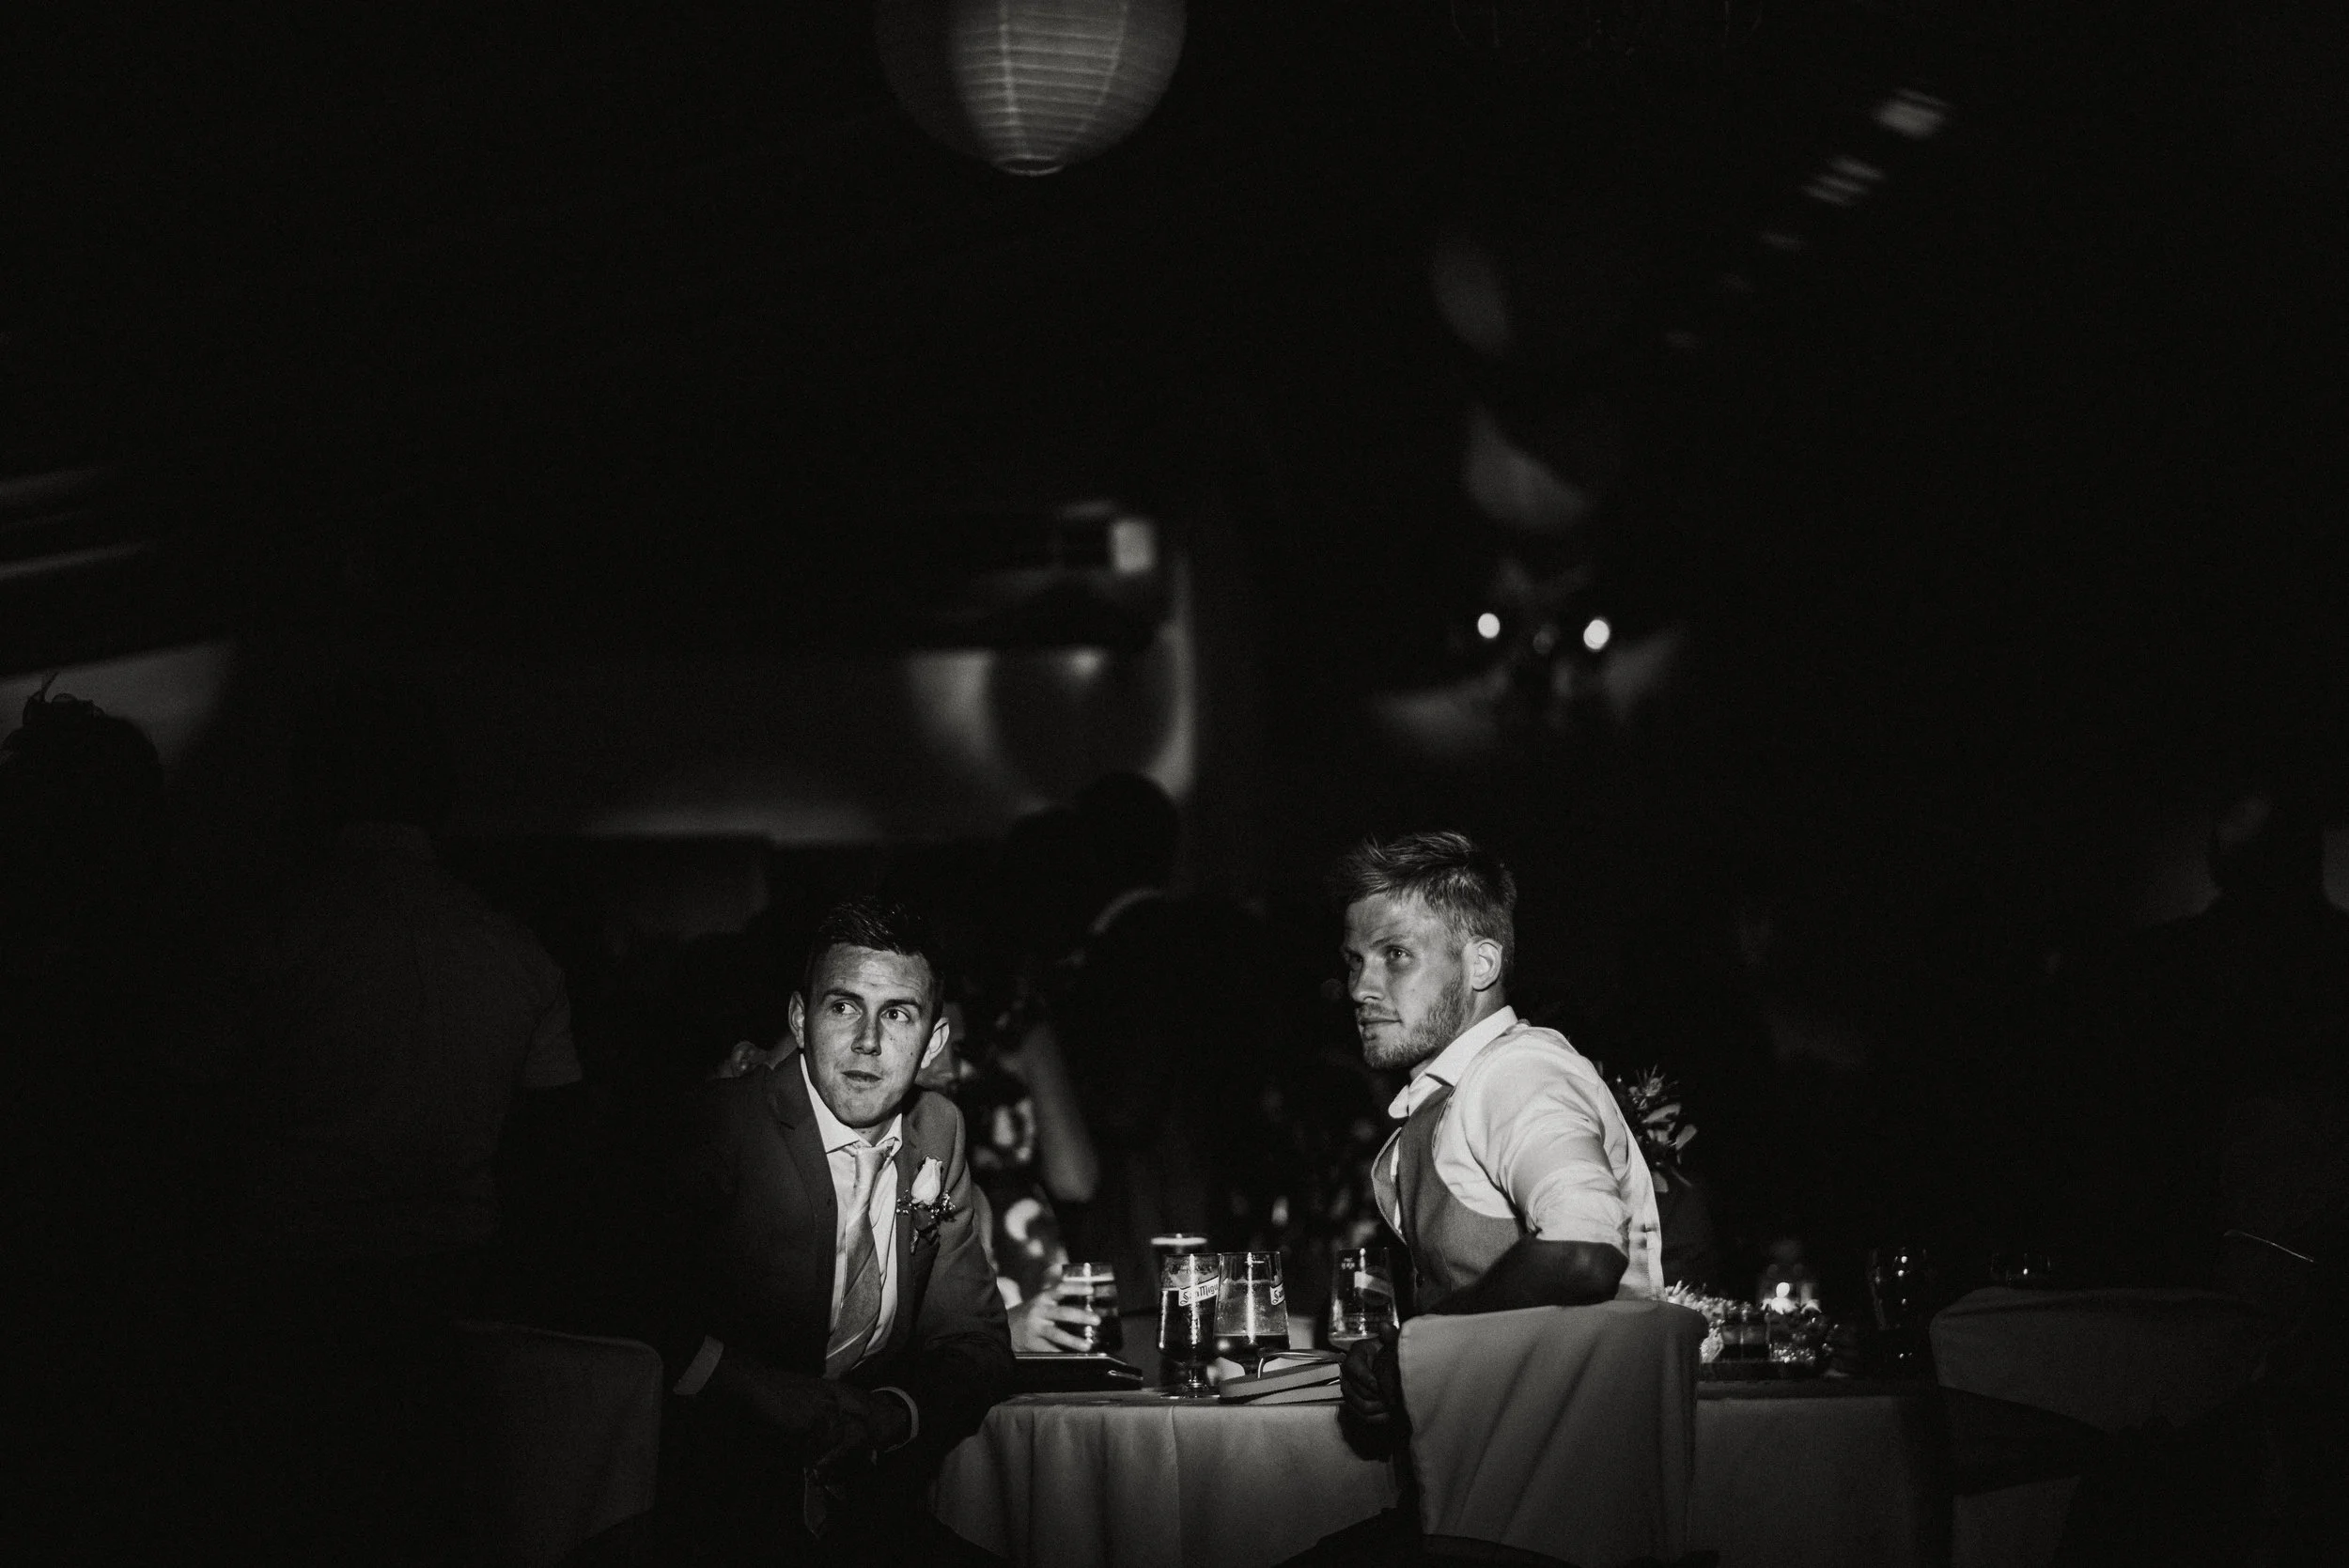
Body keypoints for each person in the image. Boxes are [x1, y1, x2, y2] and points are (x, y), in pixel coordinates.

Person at [214, 679, 583, 1563]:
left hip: (284, 1300)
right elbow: (556, 1154)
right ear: (438, 795)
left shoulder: (263, 935)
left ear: (313, 785)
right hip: (454, 1303)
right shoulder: (514, 951)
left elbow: (186, 1121)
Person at [631, 896, 1012, 1565]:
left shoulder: (938, 1130)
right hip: (710, 1507)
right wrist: (765, 1392)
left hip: (865, 1505)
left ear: (934, 1042)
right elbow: (618, 1300)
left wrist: (892, 1412)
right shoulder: (720, 1124)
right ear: (800, 1019)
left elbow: (974, 1340)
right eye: (843, 1007)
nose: (868, 1041)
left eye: (897, 1014)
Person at [1329, 831, 1663, 1432]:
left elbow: (1585, 1253)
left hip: (1560, 1473)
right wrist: (1393, 1366)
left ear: (1481, 964)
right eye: (1355, 960)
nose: (1360, 988)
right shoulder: (1455, 1090)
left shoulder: (1517, 1070)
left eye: (1395, 954)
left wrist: (1420, 1350)